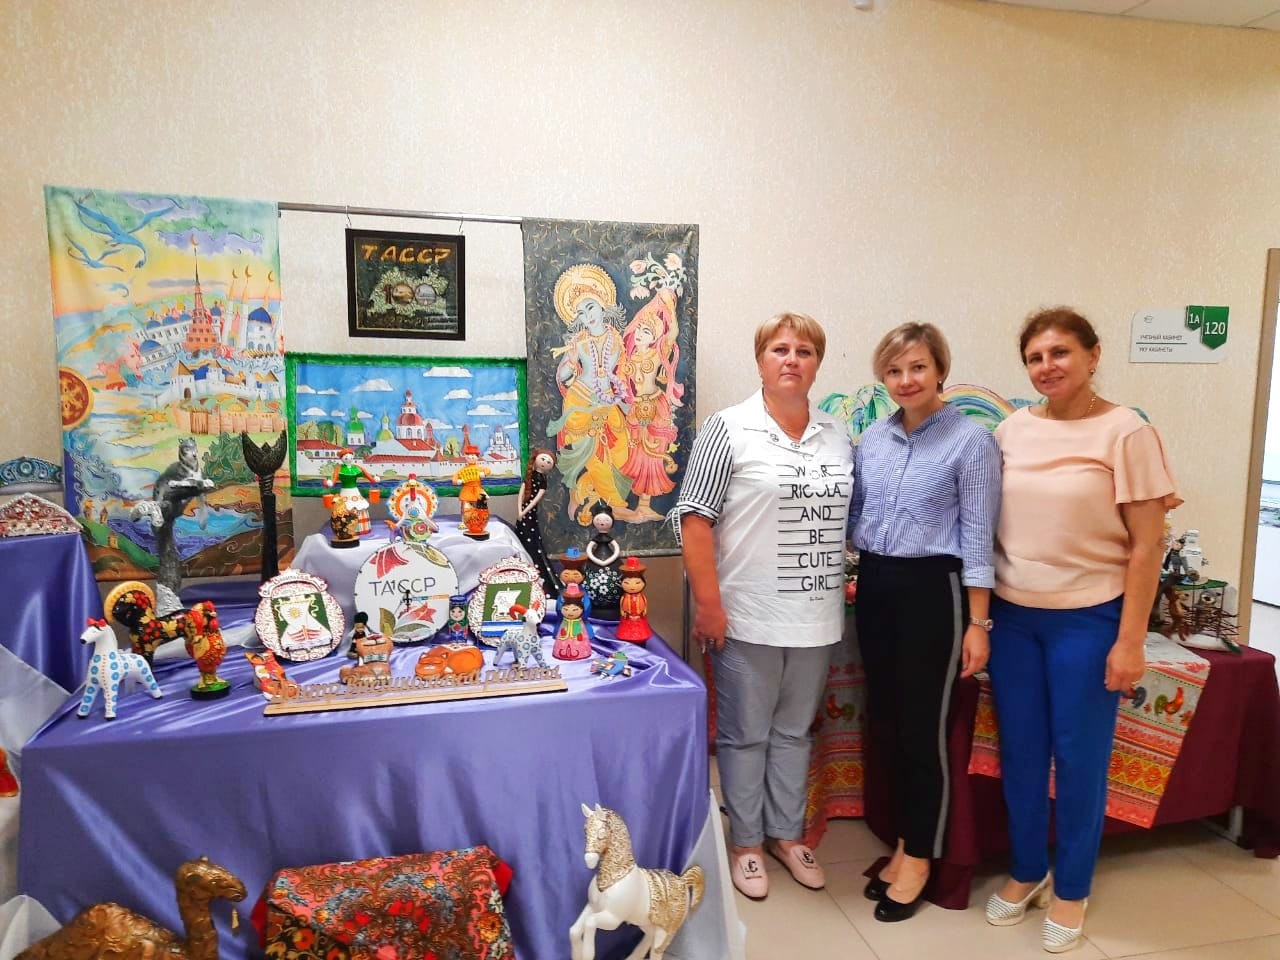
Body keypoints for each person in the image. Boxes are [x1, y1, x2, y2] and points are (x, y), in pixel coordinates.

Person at [985, 308, 1180, 953]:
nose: (1048, 367)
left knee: (1078, 758)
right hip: (1014, 617)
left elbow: (1147, 546)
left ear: (1093, 356)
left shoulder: (1127, 432)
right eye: (1035, 358)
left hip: (1090, 617)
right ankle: (1027, 870)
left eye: (1061, 353)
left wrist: (1130, 640)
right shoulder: (1011, 430)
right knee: (1020, 753)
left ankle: (1072, 885)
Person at [675, 312, 854, 900]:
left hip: (817, 616)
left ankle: (787, 834)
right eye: (780, 349)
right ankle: (746, 844)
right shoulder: (728, 428)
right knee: (745, 735)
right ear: (760, 361)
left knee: (794, 733)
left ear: (818, 363)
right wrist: (709, 605)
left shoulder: (836, 434)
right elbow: (695, 520)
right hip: (747, 614)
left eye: (805, 350)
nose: (792, 359)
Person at [850, 323, 1002, 922]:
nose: (905, 380)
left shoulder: (971, 441)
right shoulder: (874, 439)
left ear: (940, 369)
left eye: (917, 367)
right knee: (887, 722)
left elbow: (978, 536)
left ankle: (920, 858)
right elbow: (856, 515)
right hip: (876, 585)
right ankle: (903, 843)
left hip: (934, 590)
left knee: (923, 730)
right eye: (893, 370)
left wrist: (978, 623)